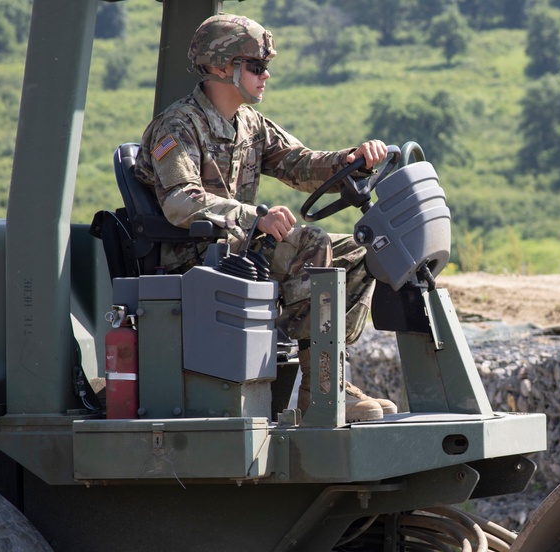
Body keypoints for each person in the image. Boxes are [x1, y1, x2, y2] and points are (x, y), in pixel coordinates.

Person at [134, 12, 395, 422]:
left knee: (362, 252)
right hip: (195, 259)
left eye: (266, 67)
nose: (265, 75)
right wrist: (254, 217)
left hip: (239, 251)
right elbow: (181, 202)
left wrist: (351, 160)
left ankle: (329, 379)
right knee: (312, 244)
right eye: (255, 66)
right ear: (222, 68)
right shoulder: (178, 126)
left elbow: (299, 163)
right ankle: (323, 389)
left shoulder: (249, 124)